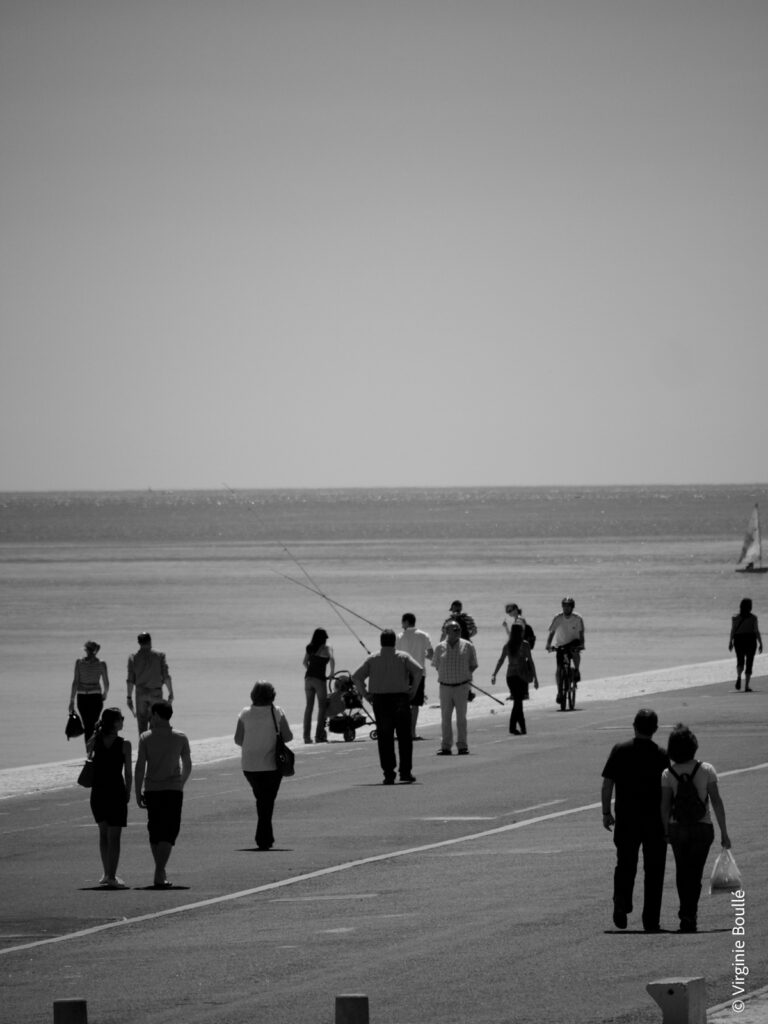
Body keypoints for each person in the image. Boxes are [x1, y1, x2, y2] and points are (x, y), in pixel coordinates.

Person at [601, 708, 669, 932]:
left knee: (625, 864)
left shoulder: (620, 750)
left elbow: (608, 783)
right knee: (654, 869)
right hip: (654, 822)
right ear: (655, 729)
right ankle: (651, 919)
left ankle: (621, 902)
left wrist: (606, 812)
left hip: (627, 819)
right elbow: (669, 790)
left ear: (634, 726)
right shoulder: (661, 754)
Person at [661, 723, 731, 933]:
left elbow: (664, 805)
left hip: (677, 827)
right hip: (702, 827)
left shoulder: (668, 773)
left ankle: (685, 914)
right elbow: (717, 802)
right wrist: (724, 833)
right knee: (695, 872)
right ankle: (691, 913)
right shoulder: (706, 769)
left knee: (682, 871)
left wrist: (665, 830)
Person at [134, 700, 192, 888]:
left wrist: (137, 792)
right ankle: (160, 871)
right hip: (173, 790)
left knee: (156, 830)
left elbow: (140, 768)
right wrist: (180, 783)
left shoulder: (145, 737)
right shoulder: (180, 737)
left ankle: (159, 870)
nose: (150, 718)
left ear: (158, 715)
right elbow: (188, 765)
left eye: (152, 714)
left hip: (153, 790)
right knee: (169, 831)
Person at [352, 629, 422, 784]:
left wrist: (366, 694)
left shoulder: (372, 658)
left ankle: (389, 773)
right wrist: (413, 690)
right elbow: (418, 671)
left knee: (385, 738)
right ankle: (405, 772)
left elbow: (356, 677)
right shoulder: (403, 657)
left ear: (381, 641)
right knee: (404, 737)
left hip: (381, 701)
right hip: (401, 699)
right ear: (394, 642)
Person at [234, 681, 294, 850]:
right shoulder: (277, 712)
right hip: (272, 764)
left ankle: (264, 837)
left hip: (249, 764)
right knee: (267, 800)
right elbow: (288, 737)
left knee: (262, 798)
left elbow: (238, 740)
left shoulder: (245, 713)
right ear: (272, 696)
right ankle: (264, 838)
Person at [87, 707, 132, 888]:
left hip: (98, 791)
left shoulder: (94, 741)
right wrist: (128, 792)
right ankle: (112, 876)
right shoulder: (124, 744)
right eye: (121, 718)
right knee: (115, 837)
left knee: (103, 834)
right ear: (114, 722)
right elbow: (127, 773)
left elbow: (89, 755)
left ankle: (106, 873)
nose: (123, 721)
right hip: (116, 791)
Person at [432, 620, 478, 755]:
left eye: (458, 629)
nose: (458, 631)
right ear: (446, 632)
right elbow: (436, 666)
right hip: (445, 687)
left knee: (461, 719)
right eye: (454, 629)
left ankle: (462, 745)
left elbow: (473, 665)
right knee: (445, 718)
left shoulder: (468, 646)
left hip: (461, 687)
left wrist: (465, 678)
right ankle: (446, 746)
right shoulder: (439, 647)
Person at [491, 624, 538, 735]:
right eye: (522, 631)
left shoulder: (508, 645)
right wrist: (536, 678)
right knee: (518, 701)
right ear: (520, 632)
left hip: (510, 677)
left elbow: (501, 660)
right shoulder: (525, 644)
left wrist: (494, 674)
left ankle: (523, 728)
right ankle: (512, 727)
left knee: (518, 701)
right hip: (521, 676)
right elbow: (530, 662)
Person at [126, 632, 174, 734]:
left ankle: (143, 748)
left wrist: (129, 697)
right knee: (156, 724)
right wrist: (171, 693)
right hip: (156, 693)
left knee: (142, 726)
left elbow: (130, 680)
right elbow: (166, 676)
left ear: (139, 643)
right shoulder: (160, 655)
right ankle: (154, 747)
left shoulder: (133, 657)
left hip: (141, 694)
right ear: (150, 641)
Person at [396, 613, 433, 739]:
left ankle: (402, 732)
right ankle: (412, 732)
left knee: (401, 703)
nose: (401, 624)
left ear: (406, 622)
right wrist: (423, 656)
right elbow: (431, 654)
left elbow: (395, 655)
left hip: (403, 673)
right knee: (415, 704)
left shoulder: (399, 637)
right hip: (419, 673)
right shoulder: (424, 635)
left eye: (402, 622)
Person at [545, 597, 585, 709]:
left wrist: (581, 645)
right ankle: (559, 692)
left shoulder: (577, 618)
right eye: (564, 606)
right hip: (561, 645)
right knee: (559, 669)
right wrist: (548, 645)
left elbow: (581, 634)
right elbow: (552, 632)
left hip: (573, 643)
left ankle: (576, 670)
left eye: (568, 606)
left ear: (572, 607)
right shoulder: (558, 618)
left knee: (576, 652)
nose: (566, 608)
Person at [69, 640, 110, 744]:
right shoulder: (101, 663)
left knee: (87, 725)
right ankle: (96, 748)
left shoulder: (79, 662)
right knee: (94, 723)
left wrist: (72, 700)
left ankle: (89, 751)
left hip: (82, 697)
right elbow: (106, 683)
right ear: (96, 650)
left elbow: (75, 682)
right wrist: (105, 694)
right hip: (96, 696)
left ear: (86, 650)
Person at [302, 628, 334, 744]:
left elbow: (305, 662)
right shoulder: (326, 648)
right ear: (324, 638)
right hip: (319, 680)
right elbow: (332, 659)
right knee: (322, 707)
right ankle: (319, 736)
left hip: (308, 679)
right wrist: (331, 673)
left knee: (308, 708)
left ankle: (306, 737)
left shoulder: (310, 647)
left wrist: (311, 670)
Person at [729, 598, 762, 692]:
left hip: (738, 640)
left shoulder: (735, 617)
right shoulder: (753, 618)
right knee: (749, 662)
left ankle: (739, 676)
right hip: (750, 640)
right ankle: (746, 686)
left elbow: (733, 630)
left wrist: (730, 642)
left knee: (740, 660)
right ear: (750, 607)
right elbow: (756, 631)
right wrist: (760, 643)